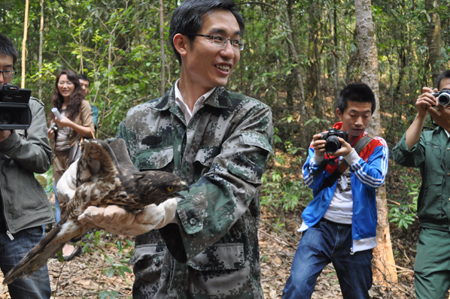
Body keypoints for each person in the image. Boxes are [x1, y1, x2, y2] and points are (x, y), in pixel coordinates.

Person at [58, 0, 273, 297]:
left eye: (236, 42)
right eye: (218, 38)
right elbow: (114, 176)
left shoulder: (249, 114)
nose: (230, 52)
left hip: (226, 287)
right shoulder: (139, 119)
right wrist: (80, 182)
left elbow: (231, 185)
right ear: (182, 44)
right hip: (154, 286)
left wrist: (168, 212)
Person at [283, 83, 389, 299]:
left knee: (358, 294)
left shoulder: (376, 145)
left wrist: (352, 156)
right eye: (353, 114)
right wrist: (318, 157)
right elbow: (310, 182)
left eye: (365, 115)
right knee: (297, 288)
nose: (359, 122)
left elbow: (376, 180)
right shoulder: (323, 140)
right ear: (340, 113)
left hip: (356, 233)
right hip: (320, 227)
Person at [0, 34, 53, 298]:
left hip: (22, 224)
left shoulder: (29, 107)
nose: (1, 78)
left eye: (6, 71)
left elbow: (43, 159)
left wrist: (9, 141)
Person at [392, 70, 450, 299]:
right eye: (446, 93)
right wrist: (421, 115)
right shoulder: (428, 137)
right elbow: (402, 156)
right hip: (434, 235)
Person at [48, 69, 95, 259]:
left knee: (72, 199)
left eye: (68, 83)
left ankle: (72, 242)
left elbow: (91, 132)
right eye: (61, 83)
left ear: (75, 85)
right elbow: (55, 138)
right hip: (58, 158)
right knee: (61, 200)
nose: (64, 86)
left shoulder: (83, 105)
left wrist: (69, 124)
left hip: (74, 158)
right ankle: (65, 240)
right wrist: (50, 134)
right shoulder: (56, 107)